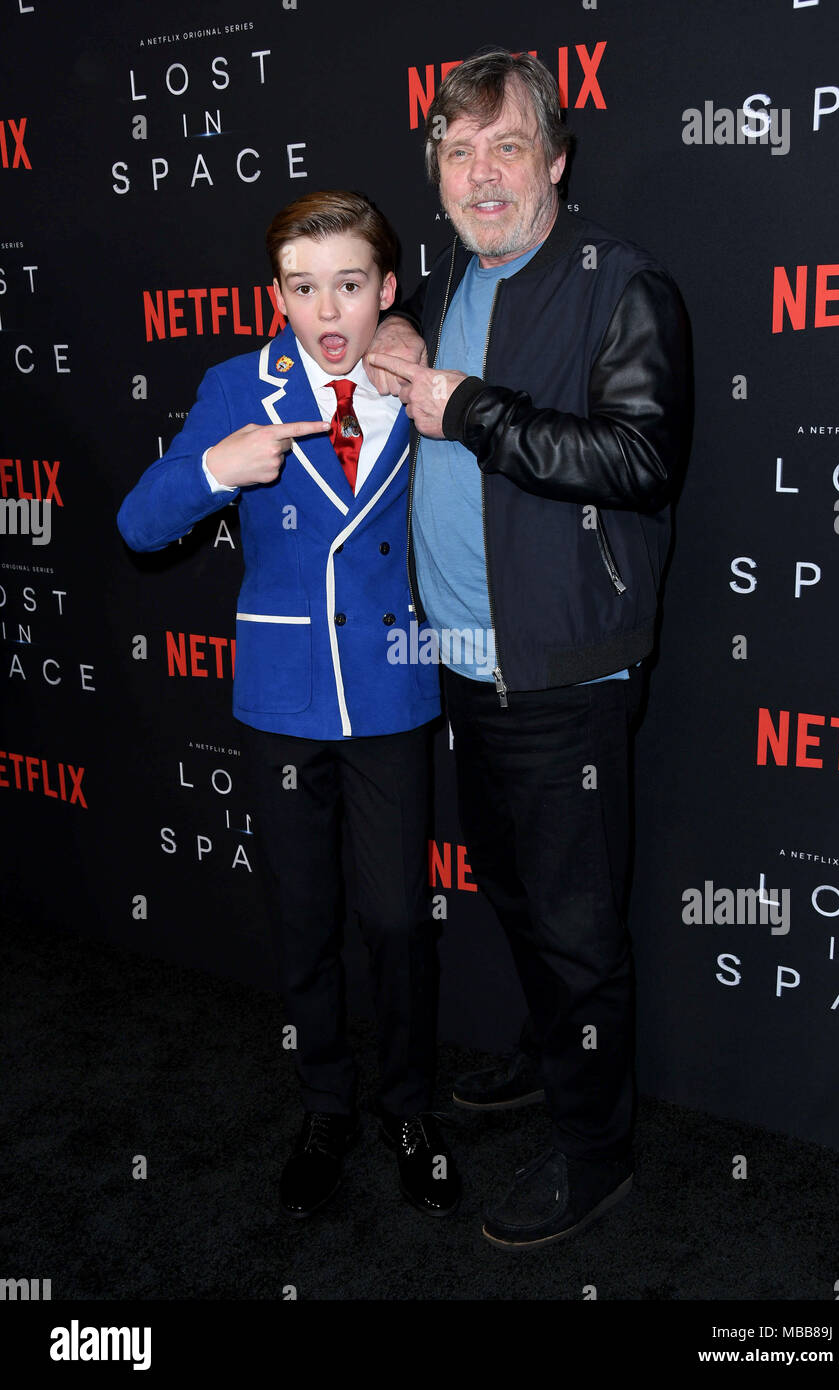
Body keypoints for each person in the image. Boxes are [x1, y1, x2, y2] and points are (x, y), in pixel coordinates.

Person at [366, 49, 691, 1248]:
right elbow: (425, 363)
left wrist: (469, 408)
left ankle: (597, 1151)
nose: (481, 172)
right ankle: (556, 1056)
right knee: (510, 887)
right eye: (457, 152)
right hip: (460, 656)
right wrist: (401, 335)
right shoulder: (455, 273)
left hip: (563, 670)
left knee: (575, 926)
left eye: (508, 147)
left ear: (555, 160)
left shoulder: (624, 285)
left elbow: (640, 460)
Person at [117, 190, 461, 1222]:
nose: (328, 310)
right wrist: (217, 470)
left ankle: (406, 1105)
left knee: (398, 920)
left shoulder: (416, 378)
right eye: (304, 287)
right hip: (281, 698)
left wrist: (411, 340)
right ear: (276, 296)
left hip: (393, 692)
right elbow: (139, 522)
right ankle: (326, 1103)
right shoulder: (236, 385)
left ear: (385, 290)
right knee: (305, 918)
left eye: (350, 285)